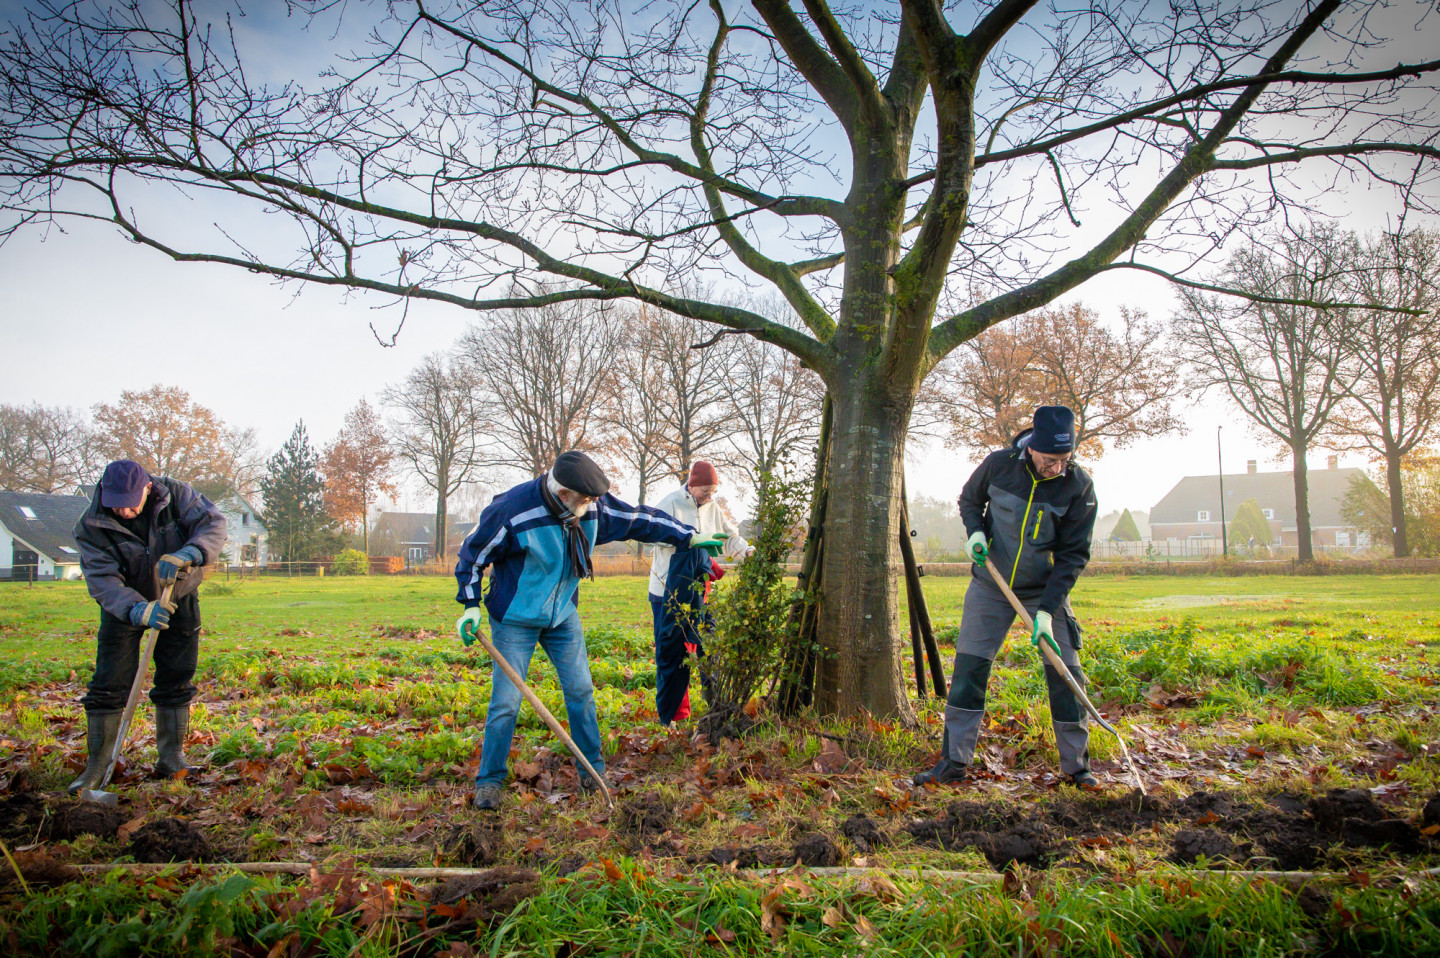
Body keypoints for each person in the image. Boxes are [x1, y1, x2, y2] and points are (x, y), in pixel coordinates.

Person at [453, 451, 724, 810]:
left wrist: (687, 537)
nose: (592, 505)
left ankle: (591, 774)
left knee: (580, 691)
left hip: (562, 614)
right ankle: (489, 782)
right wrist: (470, 604)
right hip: (515, 618)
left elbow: (639, 519)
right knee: (506, 701)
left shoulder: (593, 508)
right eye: (584, 500)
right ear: (563, 493)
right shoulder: (515, 509)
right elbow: (473, 555)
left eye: (594, 499)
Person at [915, 406, 1099, 788]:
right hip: (990, 586)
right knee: (970, 670)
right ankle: (953, 762)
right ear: (1032, 448)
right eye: (1050, 460)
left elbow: (1073, 556)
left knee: (1066, 672)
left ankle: (1077, 767)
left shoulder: (1078, 486)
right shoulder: (999, 465)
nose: (1057, 469)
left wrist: (1048, 611)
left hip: (1044, 592)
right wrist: (976, 533)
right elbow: (969, 500)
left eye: (1064, 461)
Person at [68, 460, 227, 794]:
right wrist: (137, 609)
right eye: (116, 503)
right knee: (109, 681)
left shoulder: (178, 495)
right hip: (124, 606)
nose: (124, 510)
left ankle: (171, 756)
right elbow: (102, 579)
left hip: (177, 595)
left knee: (176, 675)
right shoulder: (91, 524)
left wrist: (192, 552)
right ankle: (98, 765)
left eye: (130, 501)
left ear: (147, 488)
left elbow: (213, 524)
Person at [648, 461, 752, 723]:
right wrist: (687, 538)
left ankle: (715, 708)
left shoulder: (712, 507)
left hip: (701, 590)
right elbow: (650, 534)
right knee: (672, 651)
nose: (709, 497)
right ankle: (675, 716)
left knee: (708, 646)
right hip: (667, 591)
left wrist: (747, 552)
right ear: (691, 486)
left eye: (713, 492)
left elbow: (729, 537)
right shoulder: (671, 502)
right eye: (705, 491)